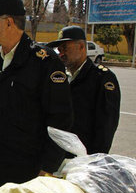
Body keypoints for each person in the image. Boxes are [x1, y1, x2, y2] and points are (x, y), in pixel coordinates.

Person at [0, 0, 73, 192]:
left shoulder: (44, 62)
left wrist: (49, 167)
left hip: (28, 169)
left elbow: (60, 119)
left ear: (8, 22)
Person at [47, 26, 120, 155]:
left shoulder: (101, 78)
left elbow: (106, 127)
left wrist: (93, 161)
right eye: (59, 49)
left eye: (65, 48)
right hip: (60, 155)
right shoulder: (60, 76)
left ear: (81, 47)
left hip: (84, 157)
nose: (61, 53)